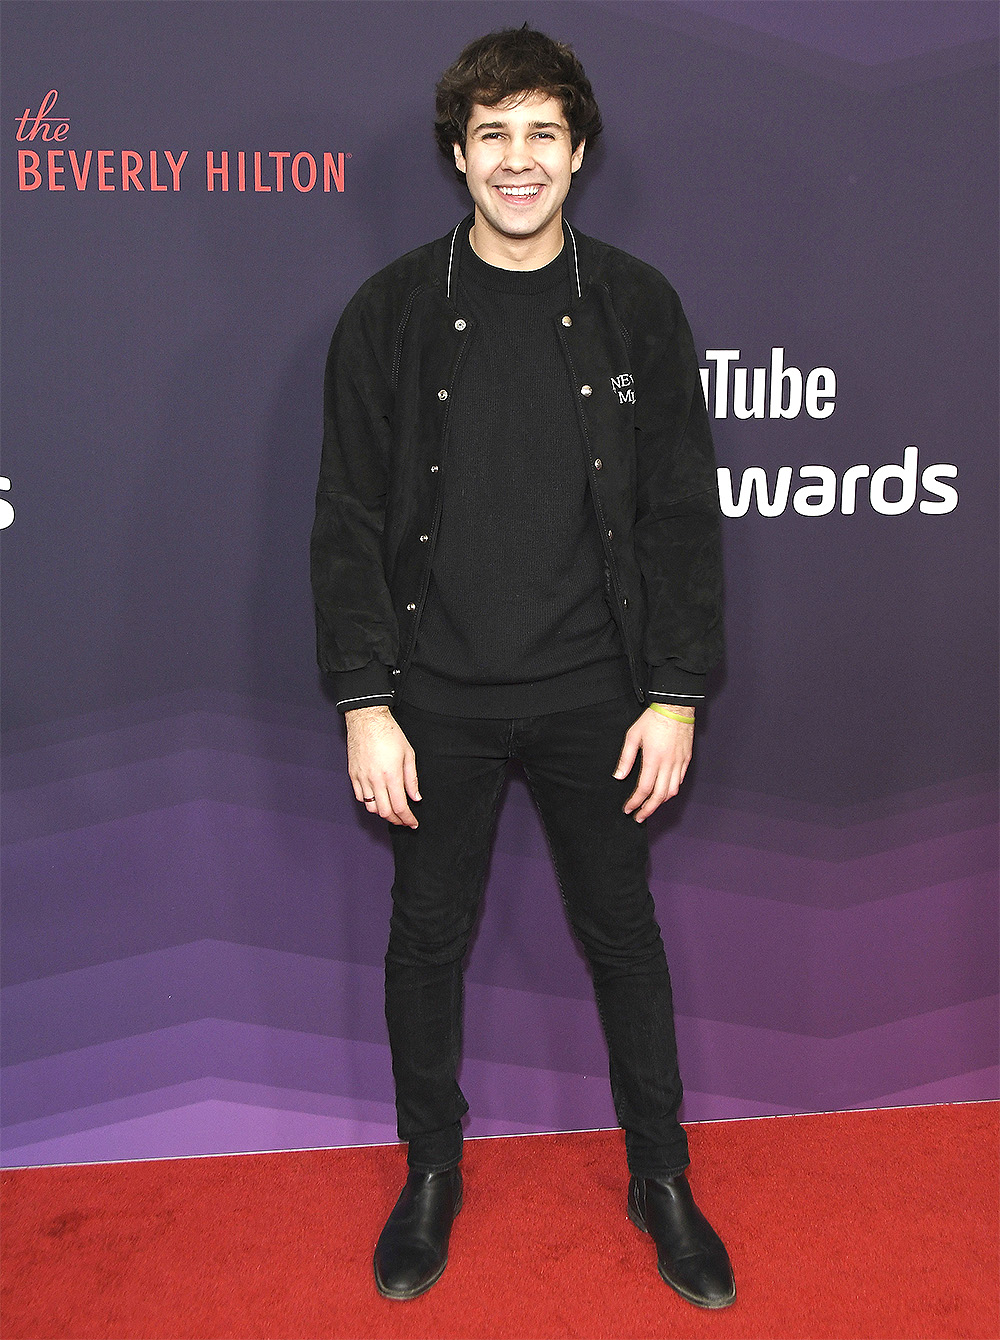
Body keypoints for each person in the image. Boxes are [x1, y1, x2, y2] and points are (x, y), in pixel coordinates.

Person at [310, 26, 733, 1310]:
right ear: (458, 154)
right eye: (491, 133)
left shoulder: (637, 305)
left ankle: (660, 1176)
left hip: (596, 691)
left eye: (541, 132)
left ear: (578, 151)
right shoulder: (389, 312)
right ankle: (430, 1171)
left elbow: (679, 514)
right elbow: (346, 518)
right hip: (431, 696)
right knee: (425, 937)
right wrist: (364, 699)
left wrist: (675, 692)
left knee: (623, 936)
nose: (517, 158)